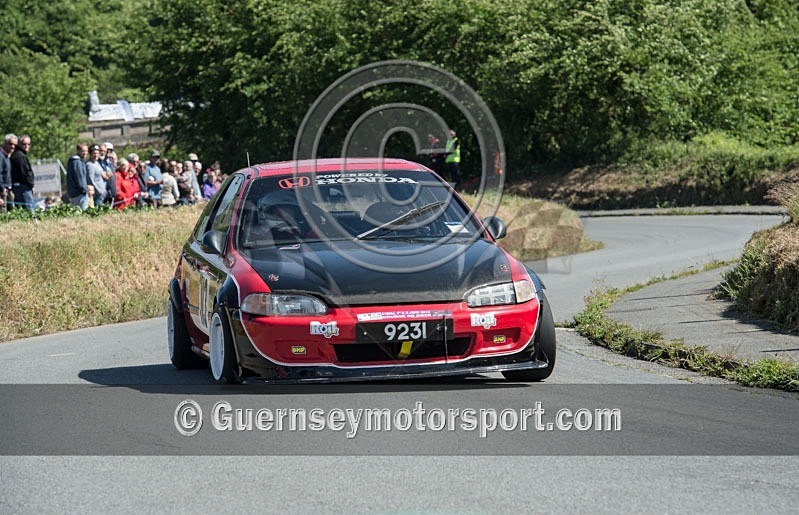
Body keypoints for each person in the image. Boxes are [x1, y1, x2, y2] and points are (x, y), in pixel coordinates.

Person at [10, 134, 35, 211]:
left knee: (20, 211)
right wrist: (31, 185)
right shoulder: (21, 157)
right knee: (29, 212)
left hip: (16, 187)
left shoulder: (15, 154)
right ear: (19, 144)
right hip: (23, 188)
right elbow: (25, 173)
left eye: (28, 144)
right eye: (24, 144)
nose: (26, 146)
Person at [66, 143, 90, 210]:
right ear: (78, 150)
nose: (85, 153)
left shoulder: (75, 161)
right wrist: (85, 190)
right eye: (83, 151)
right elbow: (80, 179)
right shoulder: (77, 162)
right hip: (79, 194)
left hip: (75, 193)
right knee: (83, 214)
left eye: (86, 151)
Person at [0, 133, 16, 212]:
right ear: (5, 143)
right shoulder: (1, 156)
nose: (13, 146)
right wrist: (1, 189)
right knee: (3, 213)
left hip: (8, 190)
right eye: (11, 144)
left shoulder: (7, 157)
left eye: (14, 145)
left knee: (11, 213)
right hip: (2, 191)